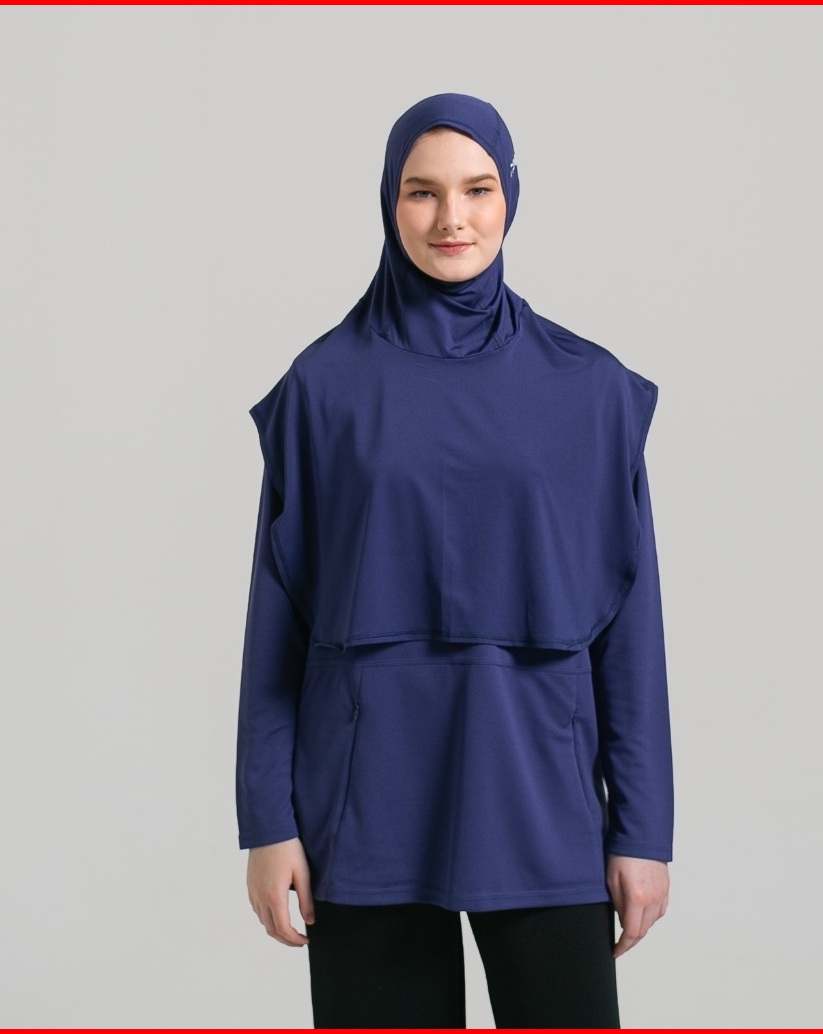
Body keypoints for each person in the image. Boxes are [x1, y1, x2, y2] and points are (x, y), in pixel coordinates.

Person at [236, 93, 673, 1029]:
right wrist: (267, 823)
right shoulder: (324, 388)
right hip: (365, 803)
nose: (451, 219)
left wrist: (642, 830)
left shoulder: (589, 390)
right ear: (387, 203)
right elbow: (277, 625)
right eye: (421, 192)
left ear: (510, 195)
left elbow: (630, 632)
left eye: (477, 190)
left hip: (540, 793)